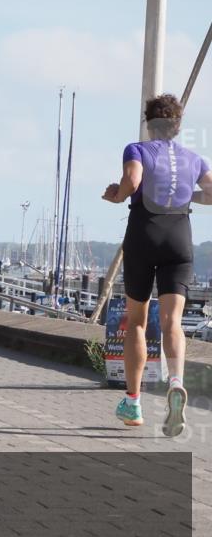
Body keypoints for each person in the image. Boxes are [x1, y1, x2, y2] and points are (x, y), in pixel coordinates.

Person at [102, 93, 212, 435]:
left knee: (136, 322)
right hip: (180, 238)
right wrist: (185, 194)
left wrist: (116, 195)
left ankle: (133, 402)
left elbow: (133, 182)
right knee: (172, 323)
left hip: (144, 235)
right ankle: (176, 381)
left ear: (149, 124)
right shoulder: (194, 159)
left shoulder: (137, 149)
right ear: (177, 127)